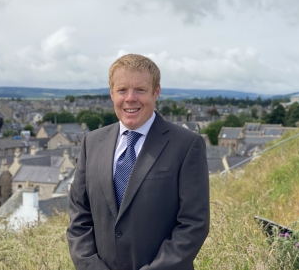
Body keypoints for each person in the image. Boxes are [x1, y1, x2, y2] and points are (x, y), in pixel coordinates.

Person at [67, 54, 210, 270]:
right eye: (122, 90)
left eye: (140, 90)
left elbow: (193, 224)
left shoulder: (187, 145)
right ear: (111, 93)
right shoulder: (91, 143)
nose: (130, 98)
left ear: (156, 92)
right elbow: (79, 217)